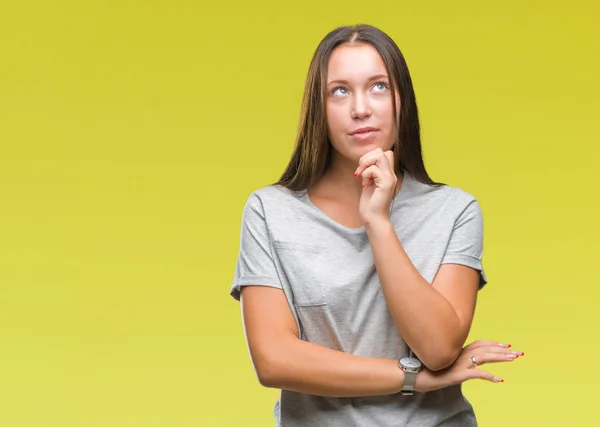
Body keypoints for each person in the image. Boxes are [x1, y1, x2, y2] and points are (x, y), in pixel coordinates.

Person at [229, 24, 522, 426]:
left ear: (403, 100)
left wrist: (378, 221)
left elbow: (437, 348)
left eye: (379, 86)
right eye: (340, 90)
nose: (360, 108)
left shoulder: (455, 210)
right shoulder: (271, 210)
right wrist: (413, 379)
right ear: (320, 108)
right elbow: (274, 360)